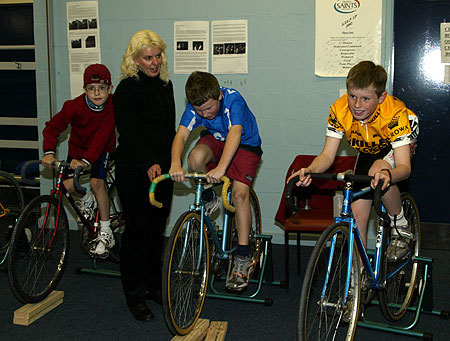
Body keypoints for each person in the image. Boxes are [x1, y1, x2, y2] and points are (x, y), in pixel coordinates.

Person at [288, 61, 419, 262]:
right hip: (368, 147)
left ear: (381, 97)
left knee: (379, 170)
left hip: (396, 145)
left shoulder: (395, 114)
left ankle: (400, 222)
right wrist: (310, 170)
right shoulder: (339, 110)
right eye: (353, 97)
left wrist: (387, 175)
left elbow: (404, 167)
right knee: (357, 216)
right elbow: (327, 156)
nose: (357, 105)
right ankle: (358, 278)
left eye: (366, 98)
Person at [170, 71, 263, 292]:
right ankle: (211, 196)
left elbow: (235, 134)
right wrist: (175, 163)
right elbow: (182, 135)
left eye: (209, 108)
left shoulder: (233, 99)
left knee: (240, 194)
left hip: (244, 144)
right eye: (200, 111)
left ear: (219, 96)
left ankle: (242, 255)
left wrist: (222, 169)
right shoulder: (197, 107)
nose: (206, 114)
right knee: (195, 158)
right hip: (216, 139)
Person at [113, 30, 175, 321]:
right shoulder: (127, 88)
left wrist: (173, 162)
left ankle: (152, 286)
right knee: (137, 233)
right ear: (135, 60)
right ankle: (134, 296)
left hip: (161, 173)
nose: (154, 62)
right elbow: (129, 132)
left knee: (156, 230)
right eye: (147, 58)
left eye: (157, 56)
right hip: (134, 171)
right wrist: (148, 162)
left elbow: (169, 131)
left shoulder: (166, 85)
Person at [42, 63, 116, 258]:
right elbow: (52, 127)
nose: (97, 93)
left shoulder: (112, 107)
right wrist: (49, 151)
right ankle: (86, 199)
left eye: (102, 88)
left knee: (96, 183)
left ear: (110, 89)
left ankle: (106, 231)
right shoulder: (73, 106)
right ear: (84, 90)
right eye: (92, 89)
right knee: (65, 186)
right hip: (77, 151)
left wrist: (86, 160)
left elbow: (102, 136)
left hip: (101, 151)